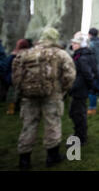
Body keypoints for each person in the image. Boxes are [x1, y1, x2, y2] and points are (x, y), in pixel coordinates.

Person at [12, 27, 76, 170]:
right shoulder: (60, 54)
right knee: (52, 124)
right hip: (52, 95)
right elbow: (70, 75)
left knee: (28, 125)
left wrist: (22, 90)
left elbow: (16, 75)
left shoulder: (25, 53)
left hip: (28, 96)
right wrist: (62, 90)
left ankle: (24, 160)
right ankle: (52, 157)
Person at [68, 32, 97, 146]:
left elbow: (87, 73)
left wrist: (91, 86)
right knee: (76, 112)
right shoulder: (83, 54)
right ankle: (79, 134)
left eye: (75, 43)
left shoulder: (81, 57)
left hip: (79, 88)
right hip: (79, 87)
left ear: (81, 44)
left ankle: (80, 137)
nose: (73, 45)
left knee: (78, 113)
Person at [5, 39, 31, 115]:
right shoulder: (30, 55)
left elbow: (7, 67)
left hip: (13, 78)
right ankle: (23, 109)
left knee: (12, 95)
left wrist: (7, 78)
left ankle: (11, 110)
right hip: (25, 78)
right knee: (24, 95)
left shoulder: (13, 55)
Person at [87, 27, 99, 115]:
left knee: (92, 89)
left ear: (90, 34)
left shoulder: (91, 44)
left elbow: (90, 58)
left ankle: (92, 108)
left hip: (93, 70)